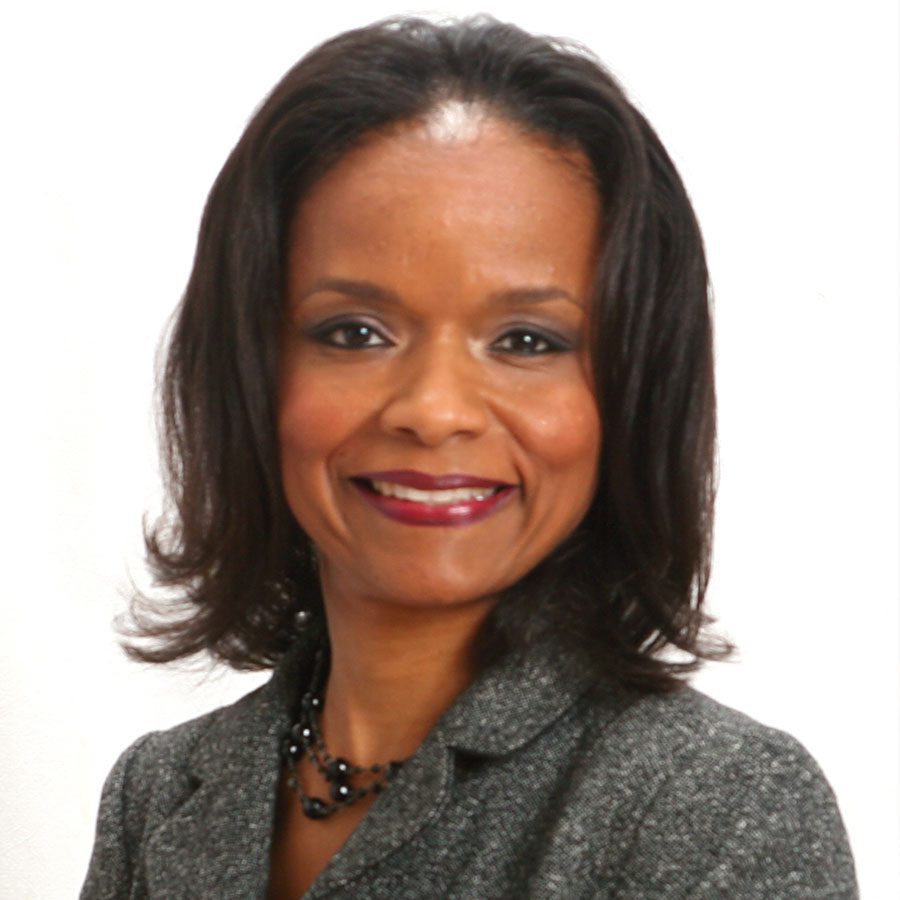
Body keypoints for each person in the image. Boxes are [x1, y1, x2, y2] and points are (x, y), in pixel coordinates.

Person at [80, 15, 858, 899]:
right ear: (250, 374)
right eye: (355, 332)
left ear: (632, 397)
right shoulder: (156, 795)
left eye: (527, 340)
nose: (434, 411)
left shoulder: (711, 805)